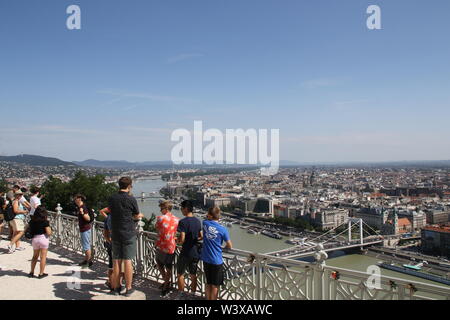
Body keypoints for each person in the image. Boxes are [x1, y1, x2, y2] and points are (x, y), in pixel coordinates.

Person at [107, 177, 143, 296]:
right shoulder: (131, 198)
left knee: (116, 261)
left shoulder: (112, 198)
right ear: (129, 186)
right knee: (128, 261)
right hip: (128, 232)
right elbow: (136, 214)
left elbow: (112, 212)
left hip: (115, 233)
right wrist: (137, 216)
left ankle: (116, 287)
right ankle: (128, 288)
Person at [201, 206, 232, 300]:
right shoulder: (223, 229)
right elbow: (230, 245)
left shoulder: (205, 223)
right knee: (215, 285)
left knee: (208, 283)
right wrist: (223, 248)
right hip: (216, 260)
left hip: (206, 259)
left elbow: (206, 218)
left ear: (210, 215)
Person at [176, 200, 202, 295]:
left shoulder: (183, 222)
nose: (181, 210)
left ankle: (181, 294)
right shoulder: (198, 221)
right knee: (193, 274)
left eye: (182, 208)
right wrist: (193, 239)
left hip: (186, 252)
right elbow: (201, 236)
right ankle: (193, 294)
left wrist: (178, 241)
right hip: (195, 252)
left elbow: (182, 238)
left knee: (180, 274)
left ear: (186, 209)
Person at [155, 200, 179, 297]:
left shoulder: (160, 218)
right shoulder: (177, 219)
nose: (160, 211)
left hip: (162, 245)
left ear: (165, 209)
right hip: (171, 245)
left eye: (161, 209)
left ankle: (166, 283)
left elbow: (156, 228)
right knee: (169, 267)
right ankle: (166, 284)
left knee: (159, 263)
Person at [99, 207, 125, 290]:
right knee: (120, 264)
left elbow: (105, 234)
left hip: (111, 243)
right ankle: (118, 284)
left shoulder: (108, 218)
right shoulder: (121, 218)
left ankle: (111, 282)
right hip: (119, 243)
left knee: (111, 263)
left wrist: (110, 241)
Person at [27, 206, 52, 278]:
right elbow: (49, 232)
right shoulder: (45, 221)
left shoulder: (32, 221)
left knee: (34, 256)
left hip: (35, 239)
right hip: (43, 239)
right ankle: (41, 273)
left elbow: (27, 228)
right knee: (43, 257)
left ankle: (31, 272)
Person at [74, 194, 93, 267]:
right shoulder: (80, 207)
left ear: (79, 199)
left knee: (86, 246)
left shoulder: (83, 208)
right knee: (86, 245)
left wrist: (82, 213)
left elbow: (88, 218)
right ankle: (86, 259)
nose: (74, 201)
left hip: (85, 229)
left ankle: (88, 261)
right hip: (84, 228)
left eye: (75, 199)